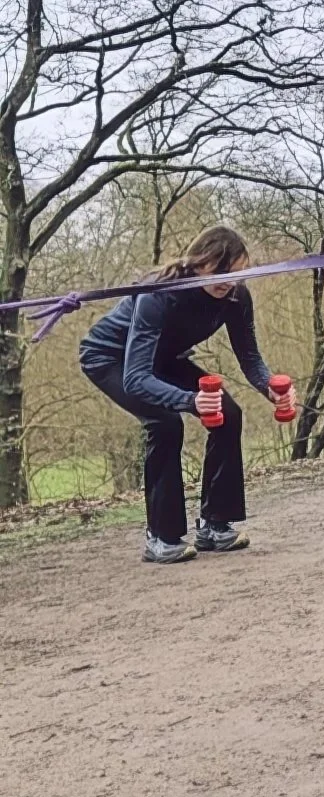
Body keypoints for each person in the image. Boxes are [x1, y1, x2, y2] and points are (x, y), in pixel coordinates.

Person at [77, 226, 288, 565]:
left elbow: (250, 357)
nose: (227, 281)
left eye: (236, 273)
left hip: (163, 358)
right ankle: (161, 537)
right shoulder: (160, 293)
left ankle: (215, 525)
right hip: (111, 359)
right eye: (220, 271)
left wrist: (269, 387)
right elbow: (136, 378)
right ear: (198, 263)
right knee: (164, 422)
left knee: (227, 413)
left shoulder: (236, 297)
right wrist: (190, 401)